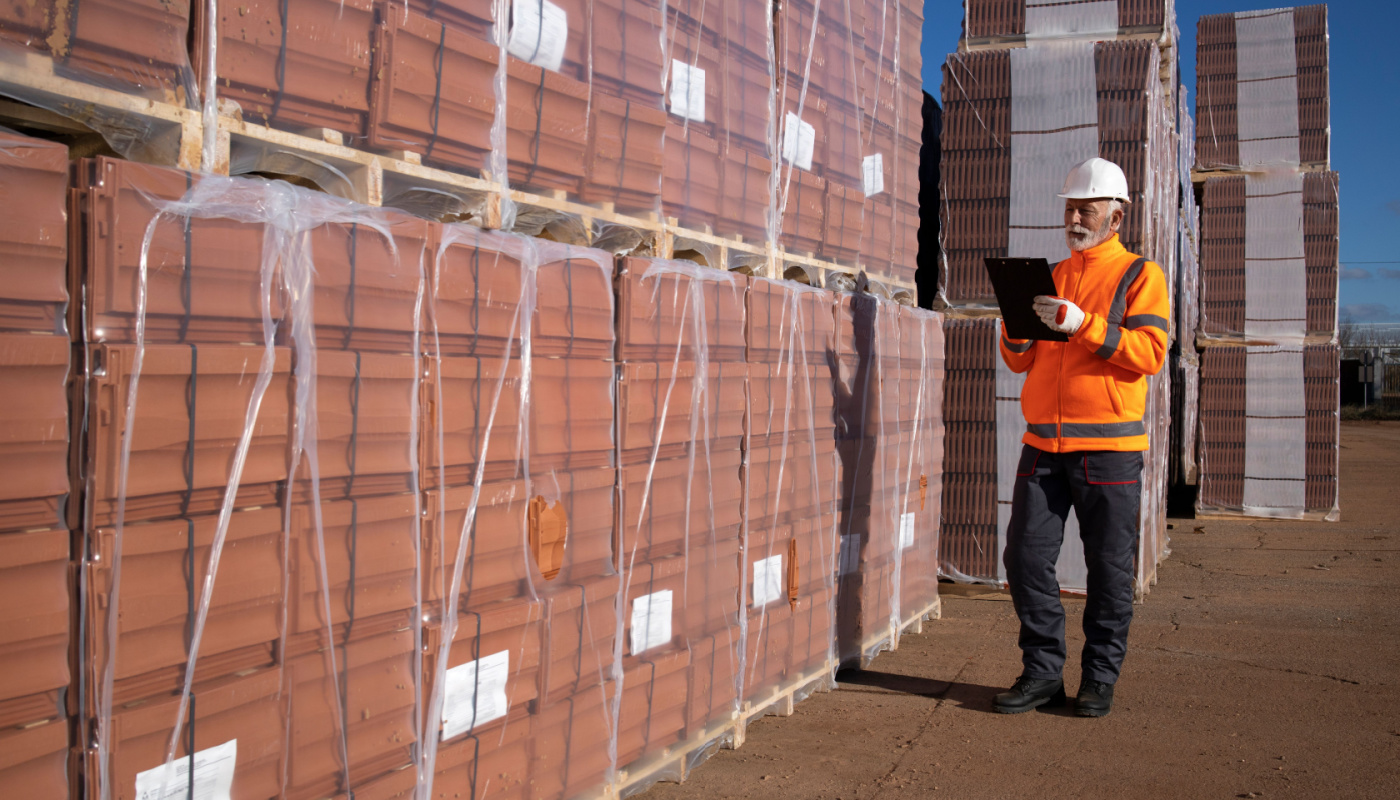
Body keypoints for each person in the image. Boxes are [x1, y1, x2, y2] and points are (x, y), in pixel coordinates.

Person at [991, 157, 1170, 718]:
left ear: (1115, 216)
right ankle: (1043, 674)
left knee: (1109, 571)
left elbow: (1150, 353)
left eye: (1085, 209)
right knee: (1023, 557)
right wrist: (1015, 331)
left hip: (1110, 451)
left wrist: (1083, 325)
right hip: (1044, 444)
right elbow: (1022, 364)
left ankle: (1098, 679)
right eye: (1070, 207)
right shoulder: (1054, 276)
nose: (1074, 217)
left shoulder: (1143, 275)